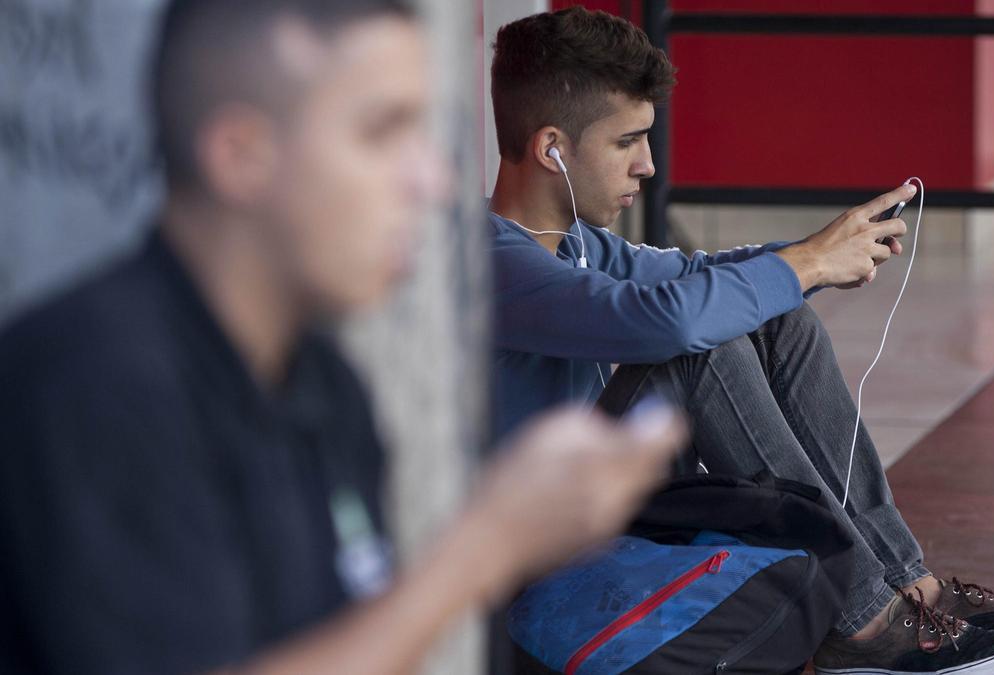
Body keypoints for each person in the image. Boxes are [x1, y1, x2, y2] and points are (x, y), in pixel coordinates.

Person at [0, 2, 687, 674]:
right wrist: (487, 545)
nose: (432, 181)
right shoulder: (93, 381)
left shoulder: (327, 384)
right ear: (241, 155)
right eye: (383, 132)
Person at [486, 7, 994, 674]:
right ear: (552, 148)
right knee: (701, 344)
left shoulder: (582, 245)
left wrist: (822, 252)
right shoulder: (486, 263)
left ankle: (910, 588)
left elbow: (701, 277)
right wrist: (807, 264)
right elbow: (665, 320)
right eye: (627, 141)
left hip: (606, 505)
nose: (648, 165)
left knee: (777, 314)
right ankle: (862, 623)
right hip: (531, 553)